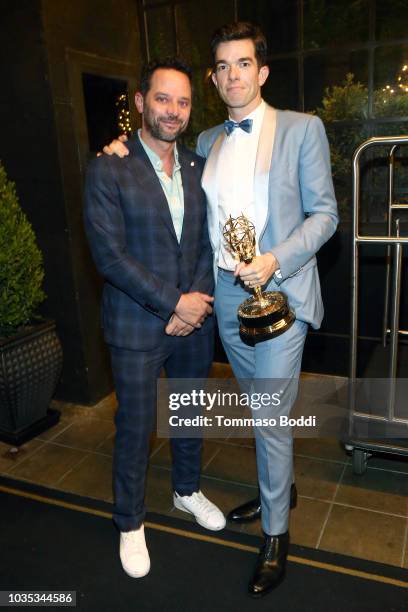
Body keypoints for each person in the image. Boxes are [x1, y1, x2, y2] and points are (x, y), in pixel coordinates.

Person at [104, 21, 338, 598]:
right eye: (223, 67)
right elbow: (157, 165)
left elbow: (326, 216)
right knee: (261, 412)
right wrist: (120, 146)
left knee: (268, 413)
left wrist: (276, 259)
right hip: (225, 301)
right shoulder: (205, 142)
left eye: (243, 64)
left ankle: (276, 534)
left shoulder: (303, 130)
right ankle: (275, 487)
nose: (233, 75)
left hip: (279, 292)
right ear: (215, 77)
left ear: (262, 72)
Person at [84, 57, 226, 580]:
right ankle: (130, 522)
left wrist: (196, 305)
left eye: (183, 101)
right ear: (141, 102)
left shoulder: (198, 165)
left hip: (194, 323)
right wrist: (174, 303)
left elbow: (211, 245)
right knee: (137, 426)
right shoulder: (109, 166)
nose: (173, 110)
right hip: (137, 326)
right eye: (163, 99)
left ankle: (187, 490)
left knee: (189, 413)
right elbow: (109, 257)